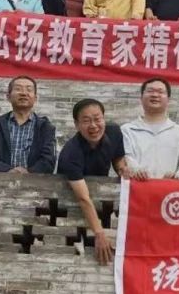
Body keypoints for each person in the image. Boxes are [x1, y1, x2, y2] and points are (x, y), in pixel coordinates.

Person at [56, 98, 132, 265]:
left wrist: (122, 169)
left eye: (97, 119)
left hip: (99, 202)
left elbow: (117, 157)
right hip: (71, 206)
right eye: (86, 121)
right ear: (76, 125)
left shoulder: (114, 132)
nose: (93, 126)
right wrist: (99, 233)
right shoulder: (71, 154)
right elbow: (83, 198)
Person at [0, 76, 57, 174]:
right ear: (8, 96)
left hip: (35, 181)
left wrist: (29, 172)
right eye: (18, 89)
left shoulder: (45, 127)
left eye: (29, 89)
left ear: (35, 98)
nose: (24, 93)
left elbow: (49, 160)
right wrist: (8, 170)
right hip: (0, 180)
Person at [120, 78, 179, 179]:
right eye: (150, 91)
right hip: (137, 186)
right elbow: (127, 158)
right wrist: (137, 171)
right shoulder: (127, 130)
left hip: (170, 187)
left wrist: (177, 177)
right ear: (141, 98)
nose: (155, 95)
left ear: (168, 99)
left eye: (160, 92)